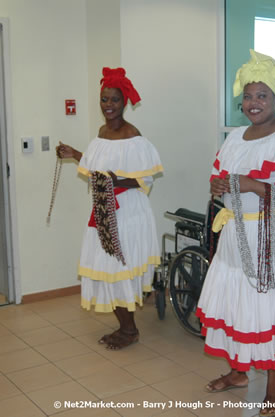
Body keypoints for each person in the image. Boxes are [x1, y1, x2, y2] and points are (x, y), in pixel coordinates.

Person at [196, 50, 275, 417]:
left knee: (267, 308)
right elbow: (222, 177)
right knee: (237, 306)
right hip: (235, 237)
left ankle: (273, 387)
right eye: (248, 96)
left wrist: (251, 185)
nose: (254, 103)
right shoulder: (235, 137)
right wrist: (221, 186)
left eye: (262, 95)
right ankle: (237, 373)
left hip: (272, 238)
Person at [56, 67, 163, 350]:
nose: (109, 106)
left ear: (124, 102)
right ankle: (126, 327)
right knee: (105, 266)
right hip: (104, 209)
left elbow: (145, 178)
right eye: (104, 100)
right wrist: (74, 153)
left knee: (118, 269)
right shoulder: (102, 133)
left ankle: (129, 330)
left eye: (114, 100)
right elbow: (96, 167)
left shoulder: (133, 135)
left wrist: (119, 179)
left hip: (128, 211)